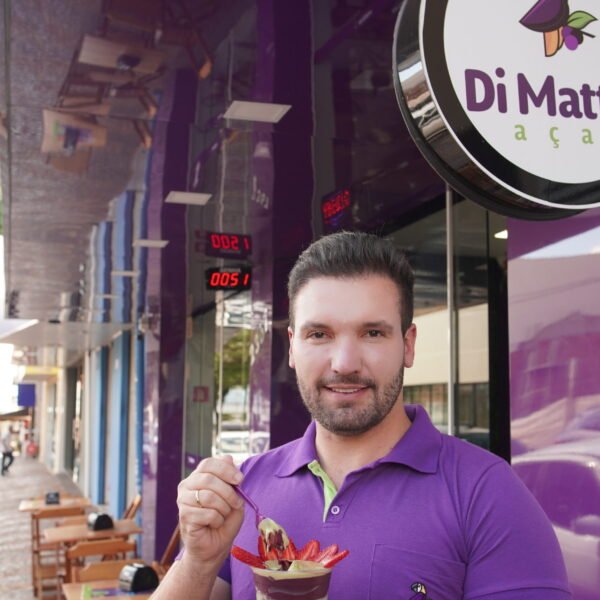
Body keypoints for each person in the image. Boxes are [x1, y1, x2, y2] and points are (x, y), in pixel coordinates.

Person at [152, 232, 571, 599]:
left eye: (372, 333)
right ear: (293, 347)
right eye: (320, 334)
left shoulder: (488, 494)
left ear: (408, 345)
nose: (345, 363)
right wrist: (199, 562)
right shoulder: (247, 488)